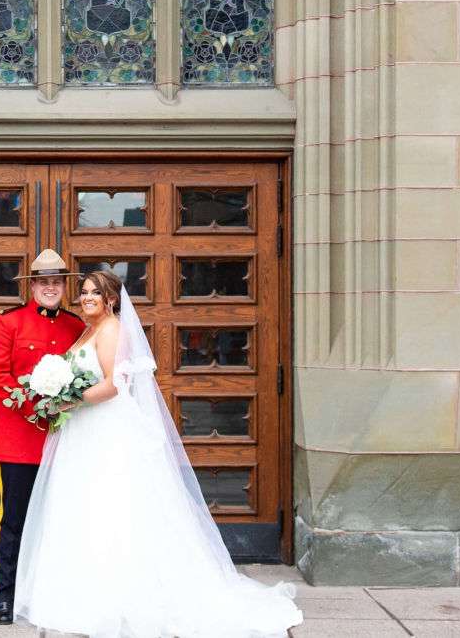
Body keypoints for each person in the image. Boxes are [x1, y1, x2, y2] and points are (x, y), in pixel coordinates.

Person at [15, 270, 304, 638]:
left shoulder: (111, 329)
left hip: (106, 429)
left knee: (111, 506)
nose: (87, 298)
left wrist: (68, 399)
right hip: (84, 430)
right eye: (85, 292)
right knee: (85, 505)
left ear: (112, 300)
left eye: (95, 293)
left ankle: (121, 598)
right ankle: (83, 592)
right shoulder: (88, 329)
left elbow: (114, 385)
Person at [0, 248, 86, 626]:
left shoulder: (76, 326)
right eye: (43, 282)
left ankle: (49, 592)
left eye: (56, 282)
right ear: (33, 286)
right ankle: (5, 597)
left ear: (64, 287)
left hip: (65, 441)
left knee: (59, 520)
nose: (50, 288)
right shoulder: (7, 322)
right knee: (15, 521)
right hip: (17, 440)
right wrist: (34, 409)